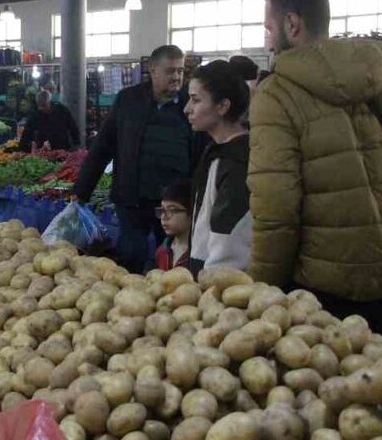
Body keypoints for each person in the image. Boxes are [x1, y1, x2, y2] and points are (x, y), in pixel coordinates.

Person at [249, 0, 382, 347]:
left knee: (327, 395)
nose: (266, 39)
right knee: (381, 387)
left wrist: (264, 293)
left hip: (318, 289)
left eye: (268, 28)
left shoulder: (276, 95)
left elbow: (276, 207)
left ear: (292, 25)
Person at [73, 44, 196, 273]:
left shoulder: (190, 104)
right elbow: (102, 147)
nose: (177, 77)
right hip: (131, 197)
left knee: (172, 258)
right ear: (152, 69)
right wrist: (81, 191)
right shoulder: (128, 101)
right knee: (130, 255)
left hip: (173, 202)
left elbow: (199, 153)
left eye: (180, 71)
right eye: (170, 71)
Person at [185, 61, 252, 273]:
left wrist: (214, 280)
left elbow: (230, 238)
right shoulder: (215, 151)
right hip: (205, 269)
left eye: (196, 100)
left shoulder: (237, 162)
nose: (187, 109)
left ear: (223, 106)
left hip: (223, 280)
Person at [153, 180, 193, 271]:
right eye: (162, 210)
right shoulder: (161, 251)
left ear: (191, 213)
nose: (163, 217)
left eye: (172, 210)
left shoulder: (201, 254)